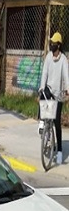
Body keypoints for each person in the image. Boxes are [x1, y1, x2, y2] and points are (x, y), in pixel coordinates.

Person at [39, 32, 69, 164]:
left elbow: (66, 76)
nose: (51, 45)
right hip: (50, 90)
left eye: (54, 43)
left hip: (59, 94)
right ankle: (42, 123)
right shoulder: (48, 58)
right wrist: (41, 87)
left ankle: (60, 152)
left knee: (57, 122)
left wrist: (68, 90)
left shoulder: (63, 59)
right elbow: (44, 73)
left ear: (59, 45)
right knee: (43, 94)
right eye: (51, 43)